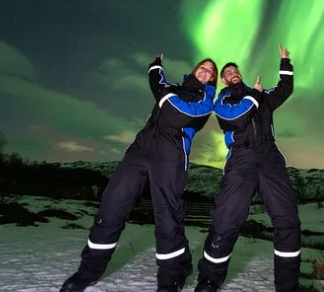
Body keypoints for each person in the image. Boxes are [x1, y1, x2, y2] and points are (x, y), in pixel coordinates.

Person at [60, 54, 218, 292]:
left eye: (211, 70)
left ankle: (172, 277)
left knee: (167, 216)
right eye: (202, 67)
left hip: (171, 152)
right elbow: (156, 80)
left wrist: (163, 95)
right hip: (140, 149)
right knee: (112, 205)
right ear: (195, 70)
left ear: (212, 79)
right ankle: (88, 271)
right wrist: (156, 64)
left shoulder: (206, 99)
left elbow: (181, 115)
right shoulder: (172, 89)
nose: (205, 70)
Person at [194, 45, 301, 292]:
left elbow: (285, 89)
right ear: (223, 80)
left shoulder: (262, 96)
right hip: (242, 158)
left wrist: (285, 62)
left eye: (235, 71)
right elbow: (236, 118)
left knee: (288, 220)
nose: (233, 74)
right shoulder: (223, 100)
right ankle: (208, 282)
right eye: (228, 72)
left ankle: (288, 286)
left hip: (270, 158)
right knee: (226, 220)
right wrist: (253, 94)